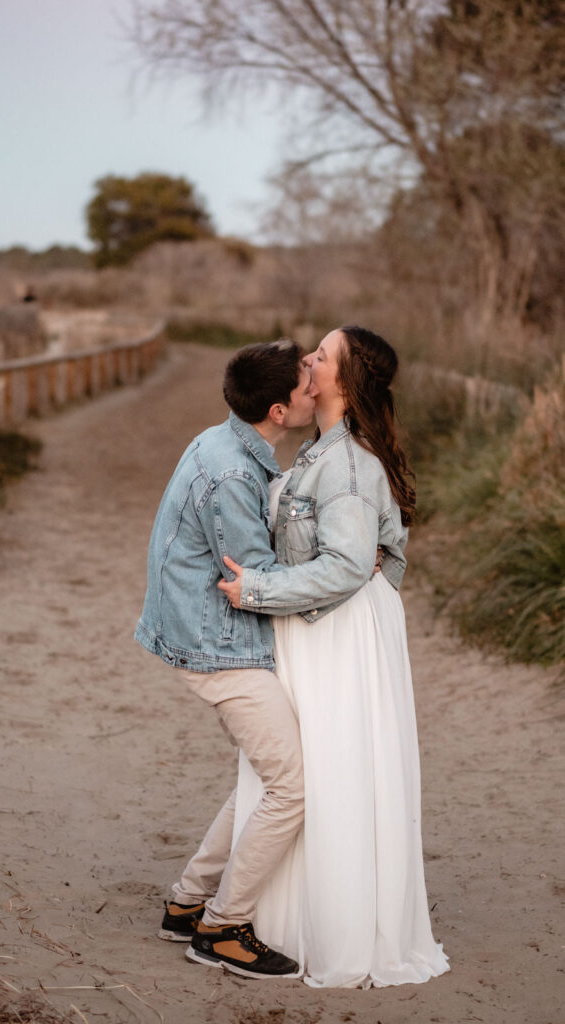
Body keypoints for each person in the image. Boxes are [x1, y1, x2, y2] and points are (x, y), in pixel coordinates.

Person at [219, 326, 450, 988]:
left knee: (332, 768)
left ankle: (333, 928)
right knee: (310, 768)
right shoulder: (322, 452)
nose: (307, 362)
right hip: (322, 627)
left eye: (320, 355)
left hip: (331, 634)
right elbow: (377, 557)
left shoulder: (347, 462)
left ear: (342, 382)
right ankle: (255, 912)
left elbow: (352, 565)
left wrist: (256, 590)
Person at [135, 339, 319, 979]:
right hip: (219, 646)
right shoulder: (235, 473)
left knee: (263, 775)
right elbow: (256, 577)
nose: (314, 389)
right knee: (292, 786)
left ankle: (187, 903)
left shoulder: (226, 441)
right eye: (305, 386)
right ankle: (222, 927)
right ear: (277, 408)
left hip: (204, 634)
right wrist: (344, 568)